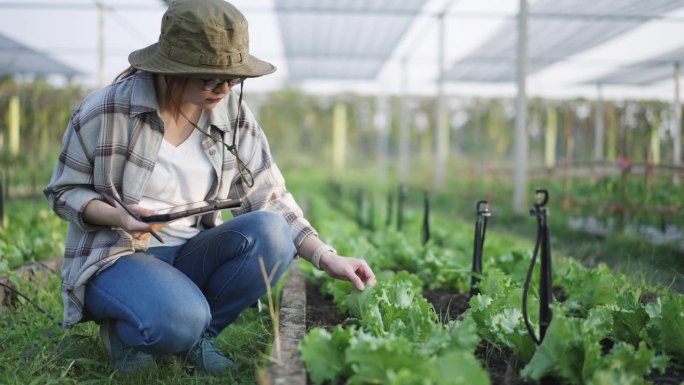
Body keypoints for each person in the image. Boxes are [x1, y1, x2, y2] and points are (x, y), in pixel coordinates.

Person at [44, 0, 376, 376]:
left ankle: (194, 335)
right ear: (173, 68)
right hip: (118, 255)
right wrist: (116, 215)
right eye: (210, 78)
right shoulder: (107, 112)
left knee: (272, 232)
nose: (224, 88)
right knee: (178, 318)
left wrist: (326, 257)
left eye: (233, 78)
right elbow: (64, 191)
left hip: (190, 253)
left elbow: (269, 197)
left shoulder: (231, 114)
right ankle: (138, 331)